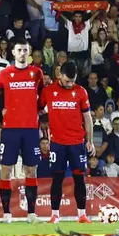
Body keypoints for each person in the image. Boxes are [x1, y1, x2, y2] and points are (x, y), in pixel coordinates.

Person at [0, 37, 44, 223]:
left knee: (31, 170)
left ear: (29, 52)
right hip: (10, 129)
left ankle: (31, 214)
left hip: (30, 129)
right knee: (6, 170)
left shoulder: (37, 73)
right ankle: (6, 214)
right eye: (19, 50)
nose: (22, 53)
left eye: (25, 50)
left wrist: (39, 110)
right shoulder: (5, 74)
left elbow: (42, 96)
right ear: (12, 52)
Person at [39, 61, 95, 224]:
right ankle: (55, 215)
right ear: (59, 75)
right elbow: (38, 108)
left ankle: (82, 215)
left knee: (79, 178)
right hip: (57, 143)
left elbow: (87, 118)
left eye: (73, 81)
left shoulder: (81, 91)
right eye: (67, 81)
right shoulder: (48, 91)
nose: (70, 84)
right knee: (57, 179)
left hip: (77, 143)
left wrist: (89, 141)